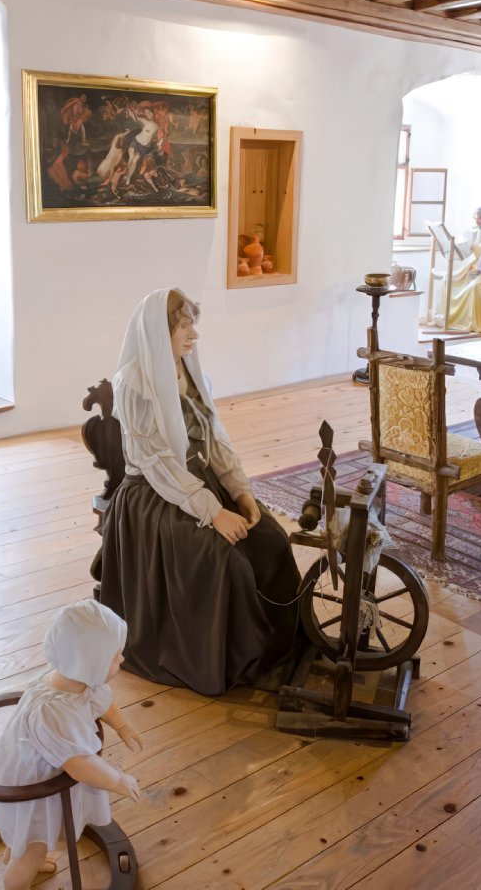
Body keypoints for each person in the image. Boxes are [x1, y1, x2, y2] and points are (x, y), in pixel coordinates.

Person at [92, 288, 304, 696]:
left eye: (193, 324)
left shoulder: (193, 373)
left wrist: (239, 492)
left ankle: (276, 647)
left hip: (198, 484)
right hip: (154, 497)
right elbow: (156, 462)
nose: (194, 335)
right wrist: (212, 512)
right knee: (224, 558)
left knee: (270, 539)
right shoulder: (133, 383)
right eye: (184, 325)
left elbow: (215, 438)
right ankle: (233, 660)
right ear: (160, 329)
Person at [0, 599, 143, 890]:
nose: (122, 659)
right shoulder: (53, 712)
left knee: (26, 838)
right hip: (36, 787)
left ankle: (16, 855)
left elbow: (102, 703)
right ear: (88, 662)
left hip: (34, 770)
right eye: (113, 655)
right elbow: (80, 765)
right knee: (33, 847)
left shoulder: (76, 682)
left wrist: (122, 725)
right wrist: (118, 780)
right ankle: (14, 882)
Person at [437, 206, 481, 334]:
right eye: (476, 218)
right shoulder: (476, 233)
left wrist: (479, 268)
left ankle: (472, 323)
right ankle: (451, 318)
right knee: (450, 279)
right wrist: (450, 247)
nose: (478, 221)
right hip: (474, 266)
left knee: (474, 287)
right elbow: (464, 250)